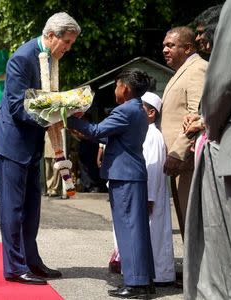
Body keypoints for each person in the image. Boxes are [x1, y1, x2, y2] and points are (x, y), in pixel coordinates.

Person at [0, 12, 80, 285]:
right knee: (13, 210)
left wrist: (67, 107)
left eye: (71, 43)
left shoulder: (50, 58)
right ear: (50, 35)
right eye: (66, 41)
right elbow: (17, 107)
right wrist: (56, 115)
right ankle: (15, 267)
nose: (68, 48)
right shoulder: (22, 57)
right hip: (13, 143)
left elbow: (45, 100)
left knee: (32, 209)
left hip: (31, 143)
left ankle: (31, 261)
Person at [67, 68, 155, 298]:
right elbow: (109, 135)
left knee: (129, 229)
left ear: (124, 88)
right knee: (136, 229)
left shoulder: (125, 110)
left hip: (125, 176)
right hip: (131, 174)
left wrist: (68, 118)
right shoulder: (136, 109)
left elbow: (97, 130)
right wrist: (85, 130)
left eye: (116, 85)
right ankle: (143, 280)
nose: (115, 90)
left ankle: (136, 284)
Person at [184, 1, 231, 298]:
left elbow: (225, 80)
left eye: (201, 33)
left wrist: (210, 124)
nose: (198, 39)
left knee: (227, 254)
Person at [160, 26, 207, 239]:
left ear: (187, 48)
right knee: (185, 220)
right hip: (179, 163)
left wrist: (177, 153)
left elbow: (195, 115)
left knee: (193, 220)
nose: (165, 50)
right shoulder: (181, 71)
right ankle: (192, 269)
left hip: (187, 161)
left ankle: (198, 272)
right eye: (164, 46)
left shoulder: (197, 70)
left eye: (170, 45)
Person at [141, 92, 175, 286]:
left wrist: (149, 198)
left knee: (156, 235)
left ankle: (160, 275)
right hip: (148, 193)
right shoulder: (146, 133)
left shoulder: (153, 135)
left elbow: (153, 167)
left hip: (151, 195)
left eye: (140, 109)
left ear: (151, 113)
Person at [43, 132, 60, 197]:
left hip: (56, 142)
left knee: (55, 168)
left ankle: (54, 189)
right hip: (47, 143)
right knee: (48, 170)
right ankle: (49, 188)